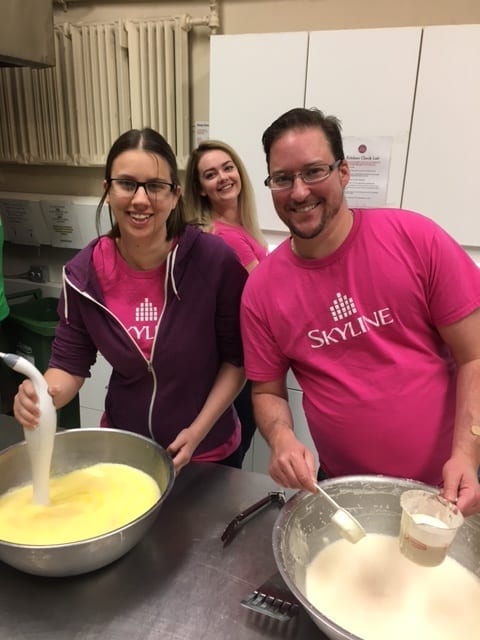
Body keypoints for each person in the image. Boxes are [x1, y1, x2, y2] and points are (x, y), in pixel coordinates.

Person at [240, 107, 480, 516]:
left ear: (344, 172)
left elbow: (474, 355)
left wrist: (466, 455)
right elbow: (266, 391)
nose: (299, 192)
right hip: (345, 492)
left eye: (314, 171)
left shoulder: (415, 239)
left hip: (451, 484)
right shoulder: (262, 290)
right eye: (283, 179)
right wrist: (281, 439)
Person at [13, 128, 248, 473]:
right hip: (127, 450)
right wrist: (42, 395)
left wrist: (198, 431)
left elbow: (236, 361)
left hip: (209, 453)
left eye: (155, 186)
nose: (140, 199)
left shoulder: (213, 261)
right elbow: (69, 363)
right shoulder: (83, 275)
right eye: (126, 184)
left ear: (175, 196)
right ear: (108, 191)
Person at [184, 139, 268, 462]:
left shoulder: (240, 227)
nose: (223, 177)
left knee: (239, 444)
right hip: (232, 363)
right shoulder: (223, 236)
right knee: (231, 451)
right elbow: (266, 293)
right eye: (210, 174)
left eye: (227, 168)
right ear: (201, 189)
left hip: (245, 360)